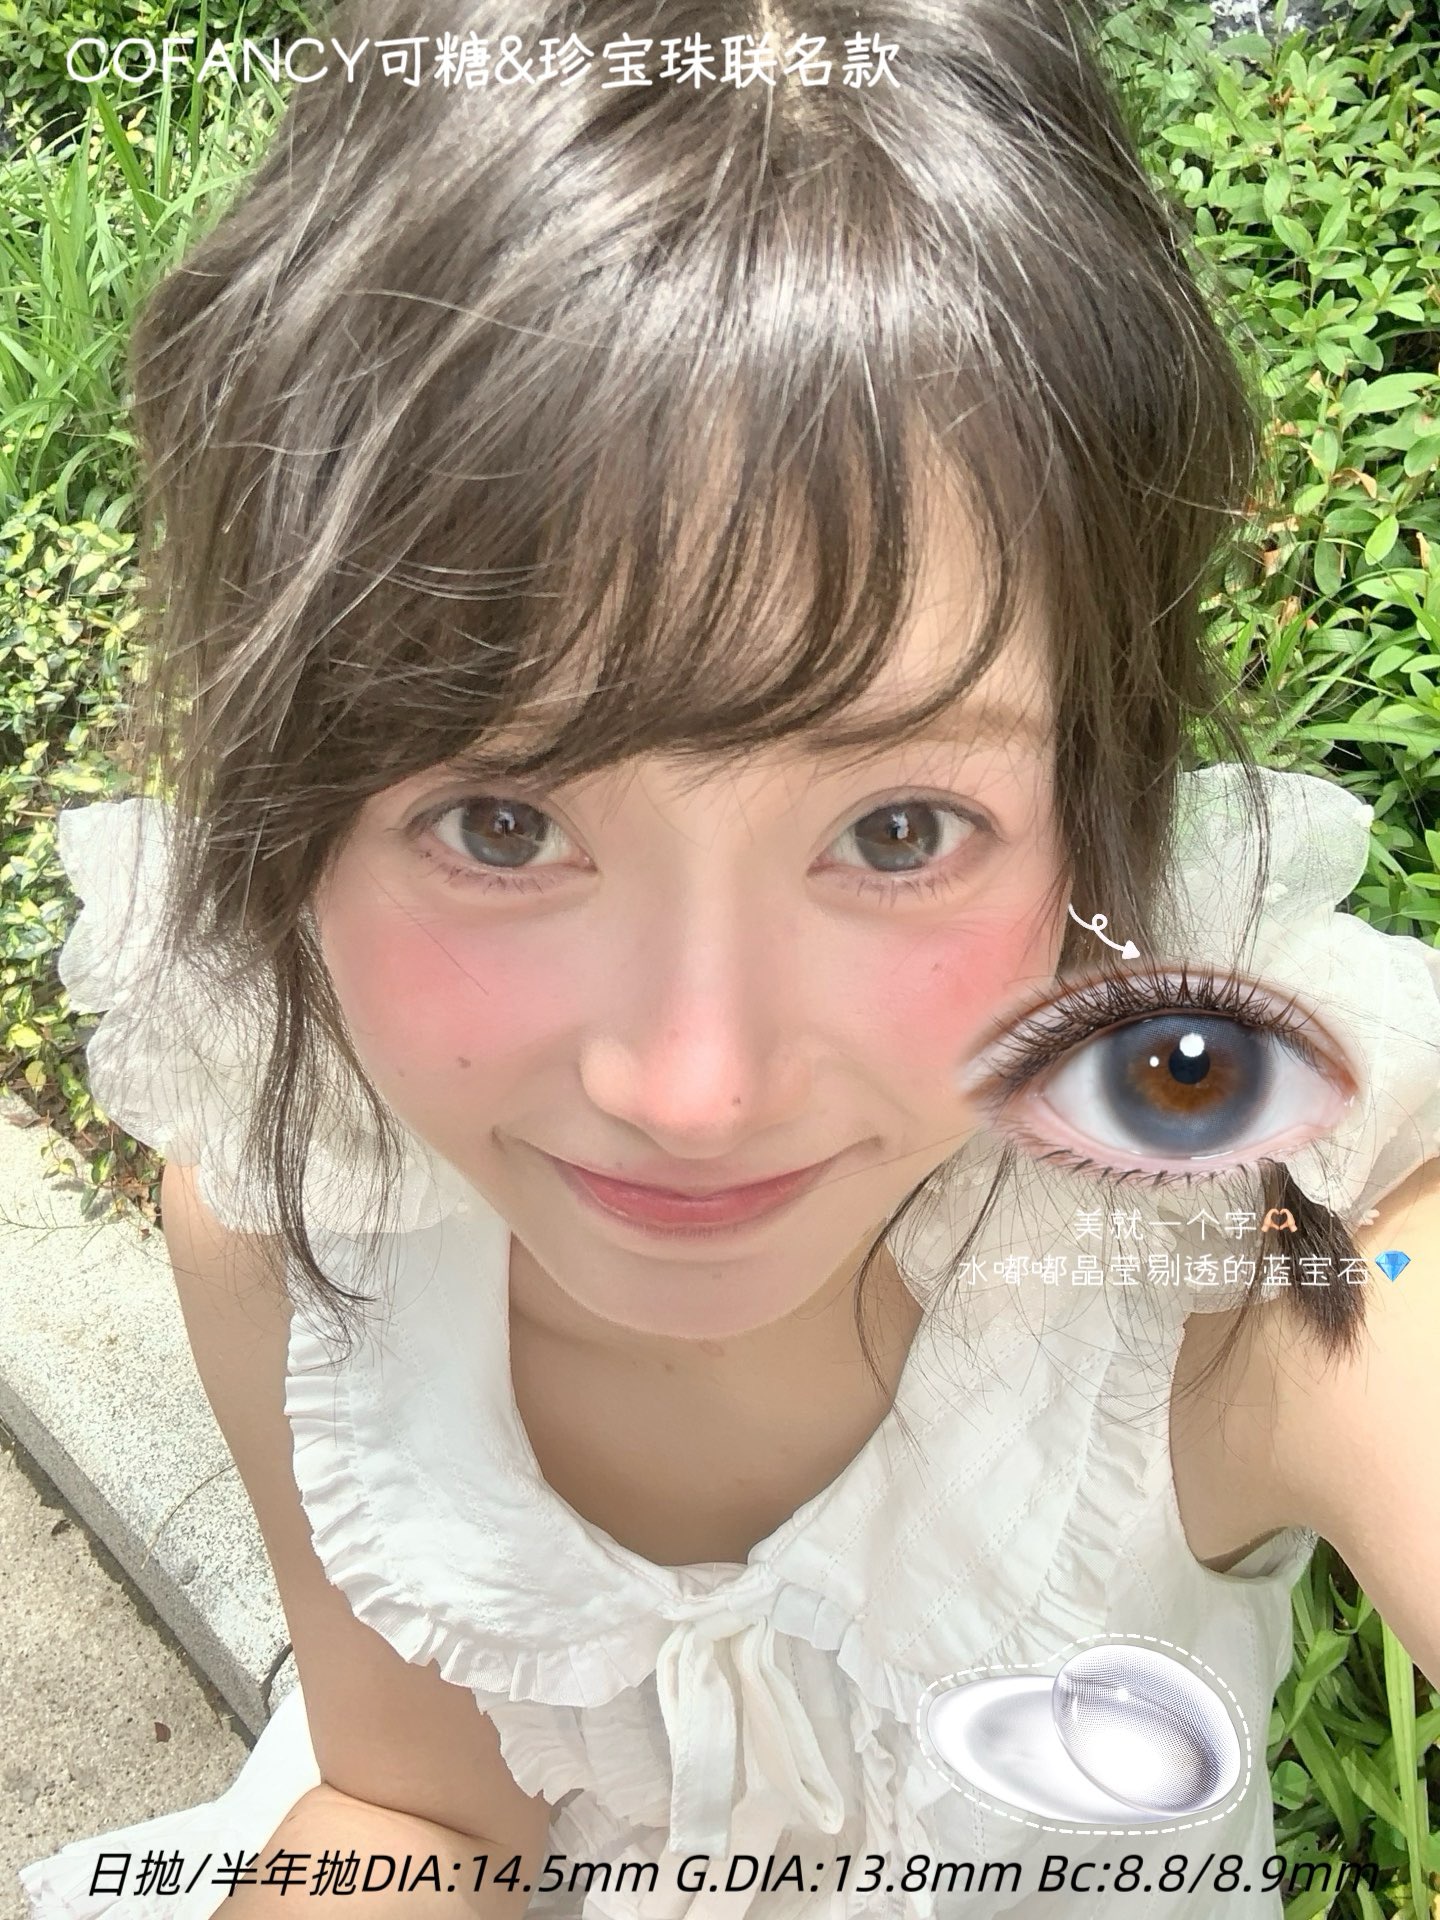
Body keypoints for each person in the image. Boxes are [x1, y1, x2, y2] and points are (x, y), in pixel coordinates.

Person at [18, 0, 1440, 1914]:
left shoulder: (1254, 1236)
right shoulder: (314, 1208)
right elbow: (419, 1808)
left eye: (899, 830)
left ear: (1101, 793)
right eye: (501, 824)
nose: (692, 1089)